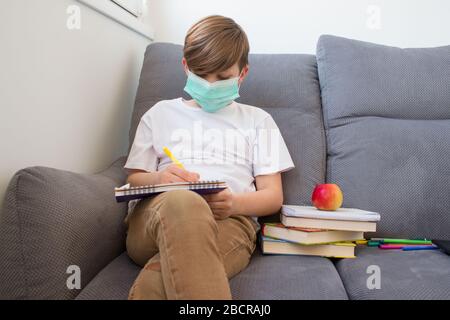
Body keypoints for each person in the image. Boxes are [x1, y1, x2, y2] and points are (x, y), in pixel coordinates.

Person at [123, 15, 294, 300]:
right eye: (202, 75)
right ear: (186, 68)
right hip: (154, 221)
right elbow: (134, 177)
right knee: (183, 201)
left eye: (223, 77)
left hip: (229, 223)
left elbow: (273, 196)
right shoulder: (159, 114)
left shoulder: (258, 121)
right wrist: (160, 178)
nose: (211, 85)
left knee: (155, 284)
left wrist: (234, 203)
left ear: (243, 74)